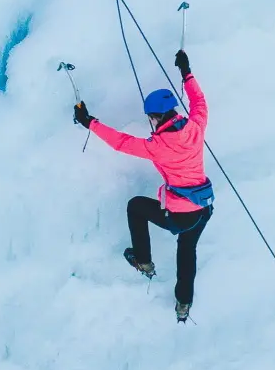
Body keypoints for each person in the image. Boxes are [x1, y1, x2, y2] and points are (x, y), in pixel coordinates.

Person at [76, 49, 212, 322]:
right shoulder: (195, 128)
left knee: (136, 207)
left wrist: (89, 122)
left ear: (157, 117)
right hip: (203, 210)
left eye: (150, 117)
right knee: (187, 253)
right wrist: (187, 72)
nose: (149, 121)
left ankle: (143, 260)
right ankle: (183, 304)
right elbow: (199, 103)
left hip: (180, 215)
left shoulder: (158, 146)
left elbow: (120, 143)